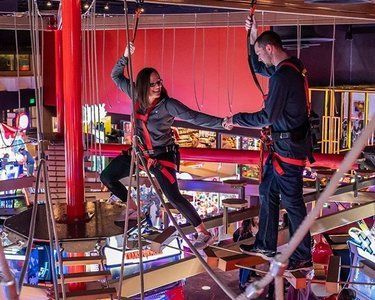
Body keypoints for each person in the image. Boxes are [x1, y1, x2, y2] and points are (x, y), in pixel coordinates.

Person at [100, 42, 228, 249]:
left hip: (162, 156)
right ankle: (133, 207)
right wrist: (125, 57)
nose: (158, 86)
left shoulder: (168, 105)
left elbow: (195, 118)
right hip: (140, 153)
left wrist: (221, 123)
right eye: (153, 84)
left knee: (173, 196)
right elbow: (116, 76)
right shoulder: (135, 95)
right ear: (143, 86)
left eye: (159, 82)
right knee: (106, 177)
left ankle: (203, 232)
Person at [223, 17, 312, 270]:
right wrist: (253, 36)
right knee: (267, 191)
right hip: (287, 146)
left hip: (288, 149)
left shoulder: (283, 76)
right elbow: (258, 67)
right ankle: (265, 243)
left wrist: (235, 119)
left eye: (261, 53)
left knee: (293, 203)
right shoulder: (292, 67)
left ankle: (303, 254)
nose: (260, 59)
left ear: (270, 49)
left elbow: (267, 117)